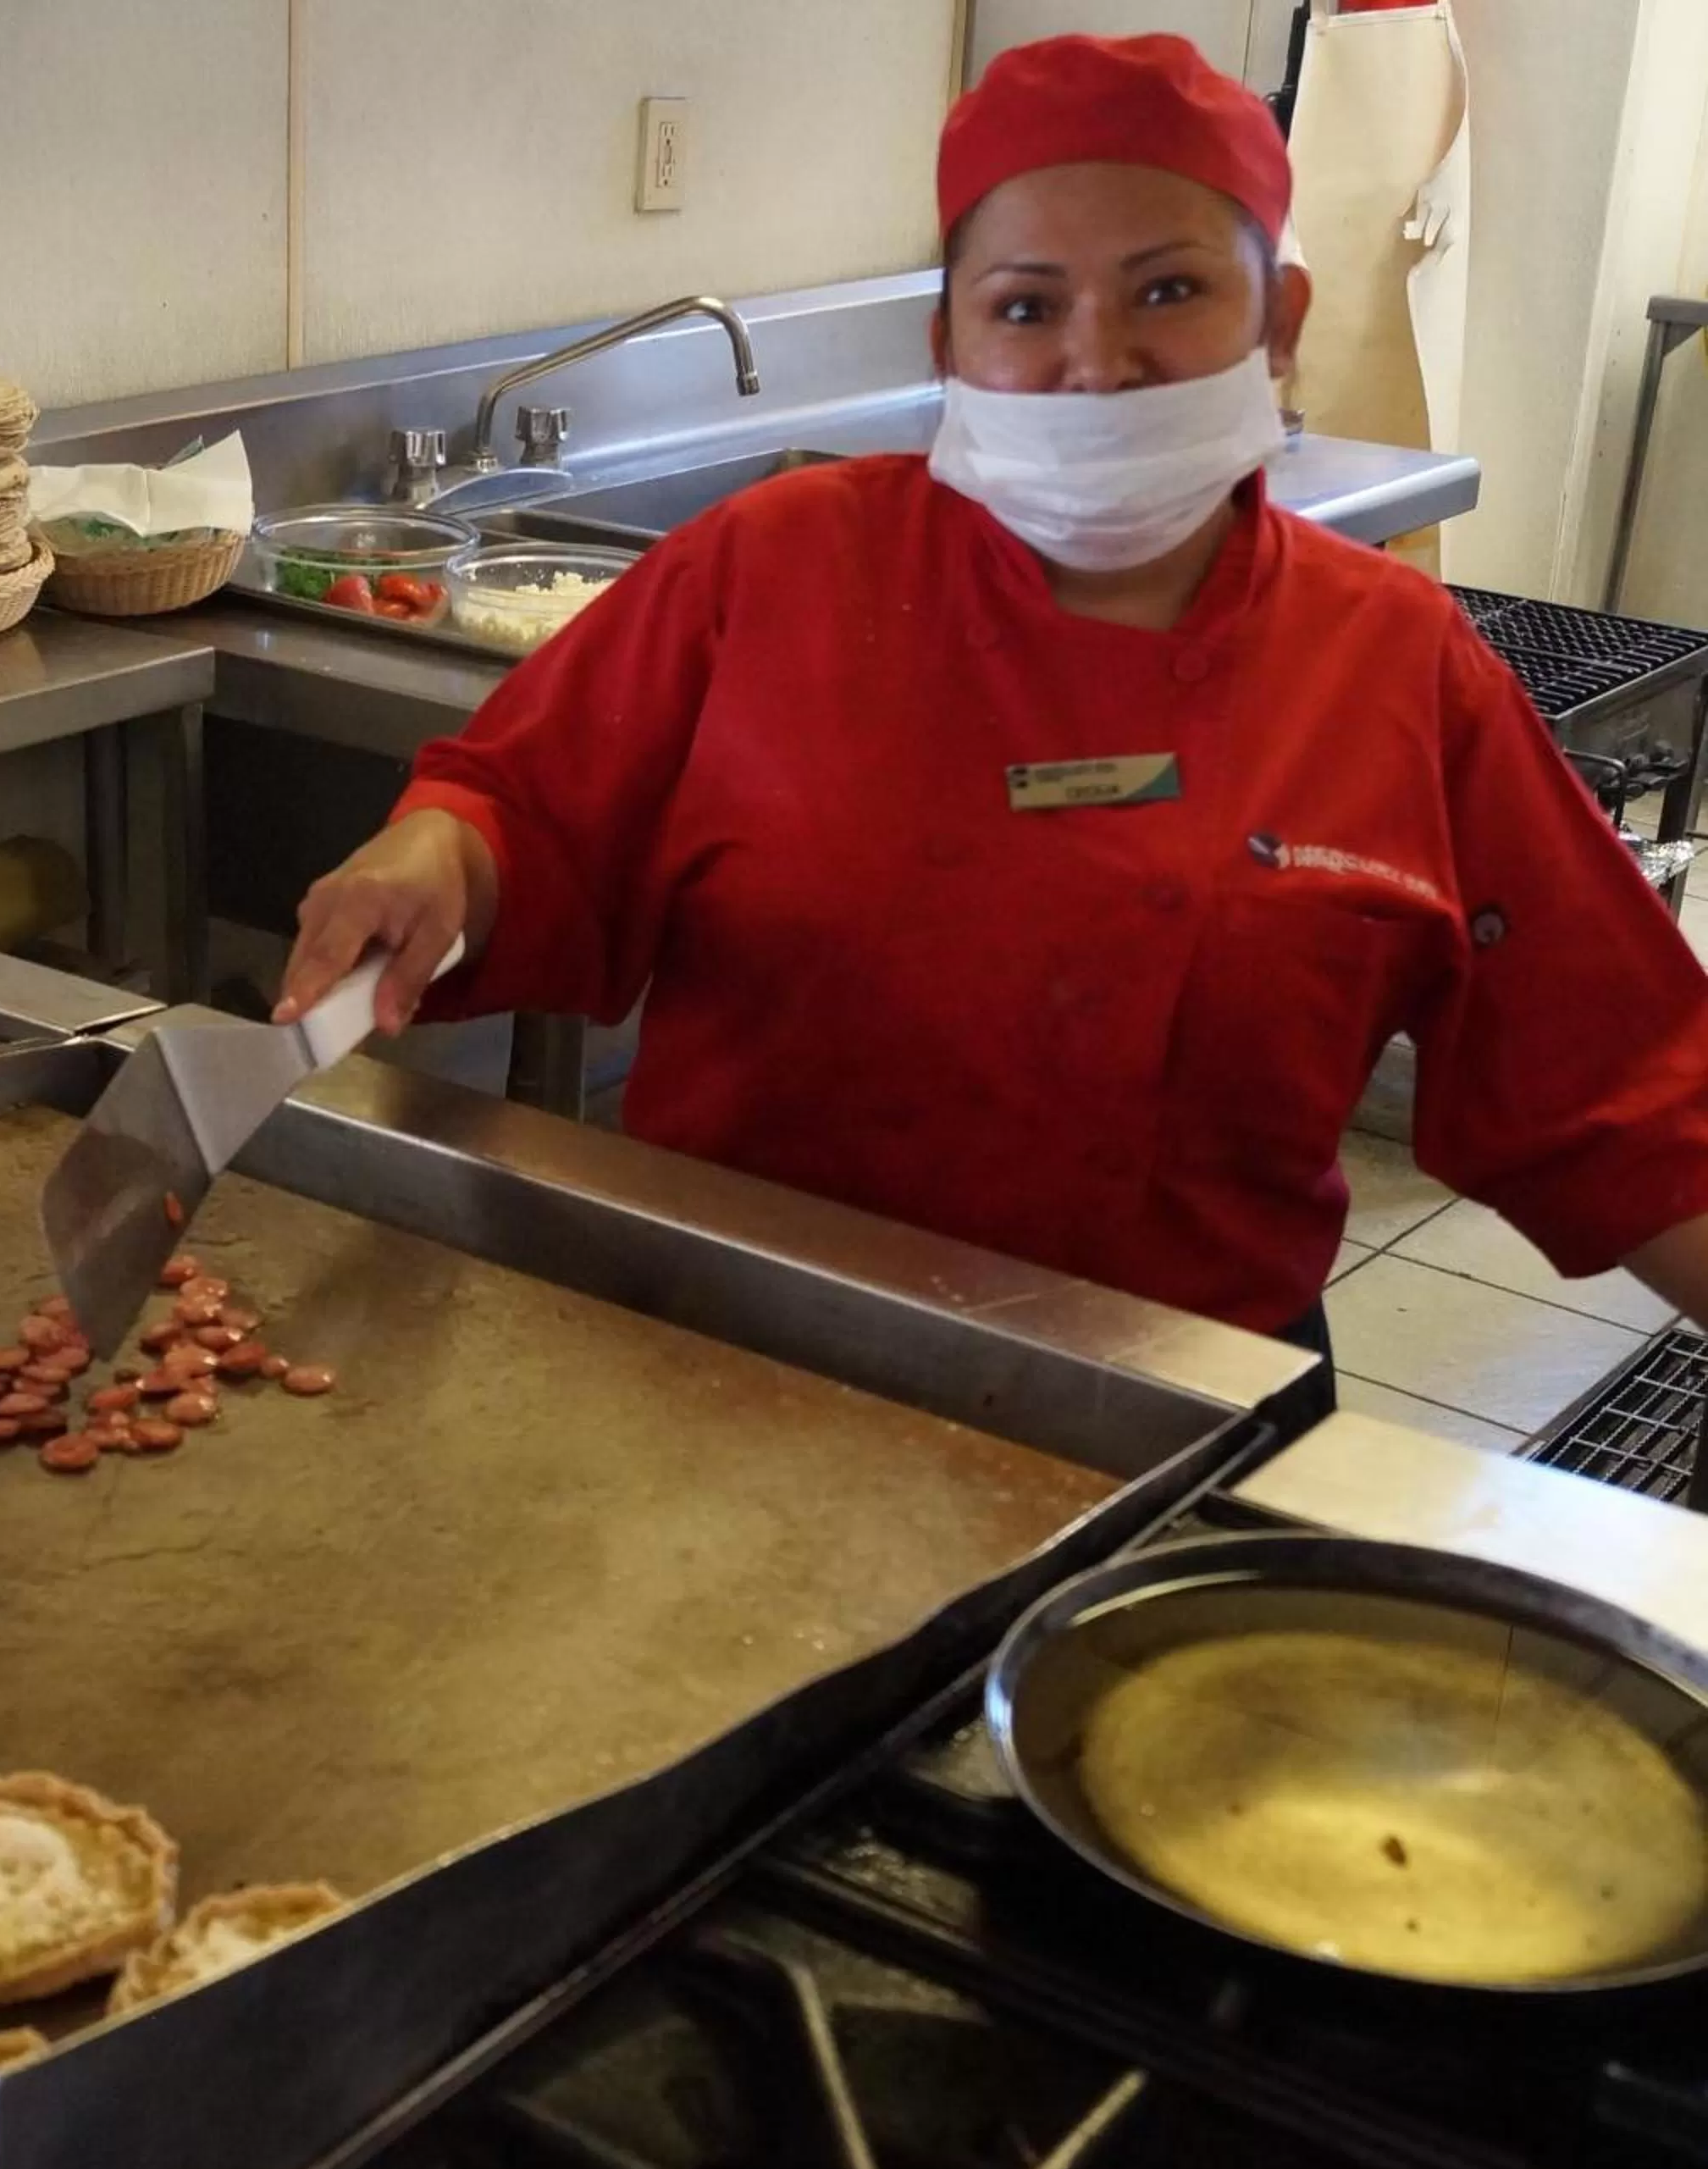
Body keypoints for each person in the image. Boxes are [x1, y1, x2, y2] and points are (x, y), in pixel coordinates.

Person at [274, 33, 1708, 1392]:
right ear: (948, 344)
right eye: (1027, 307)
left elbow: (1631, 1085)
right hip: (736, 1360)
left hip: (1185, 1410)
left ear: (1281, 320)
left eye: (1168, 291)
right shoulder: (774, 566)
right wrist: (434, 858)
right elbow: (523, 810)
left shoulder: (1393, 665)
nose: (1098, 358)